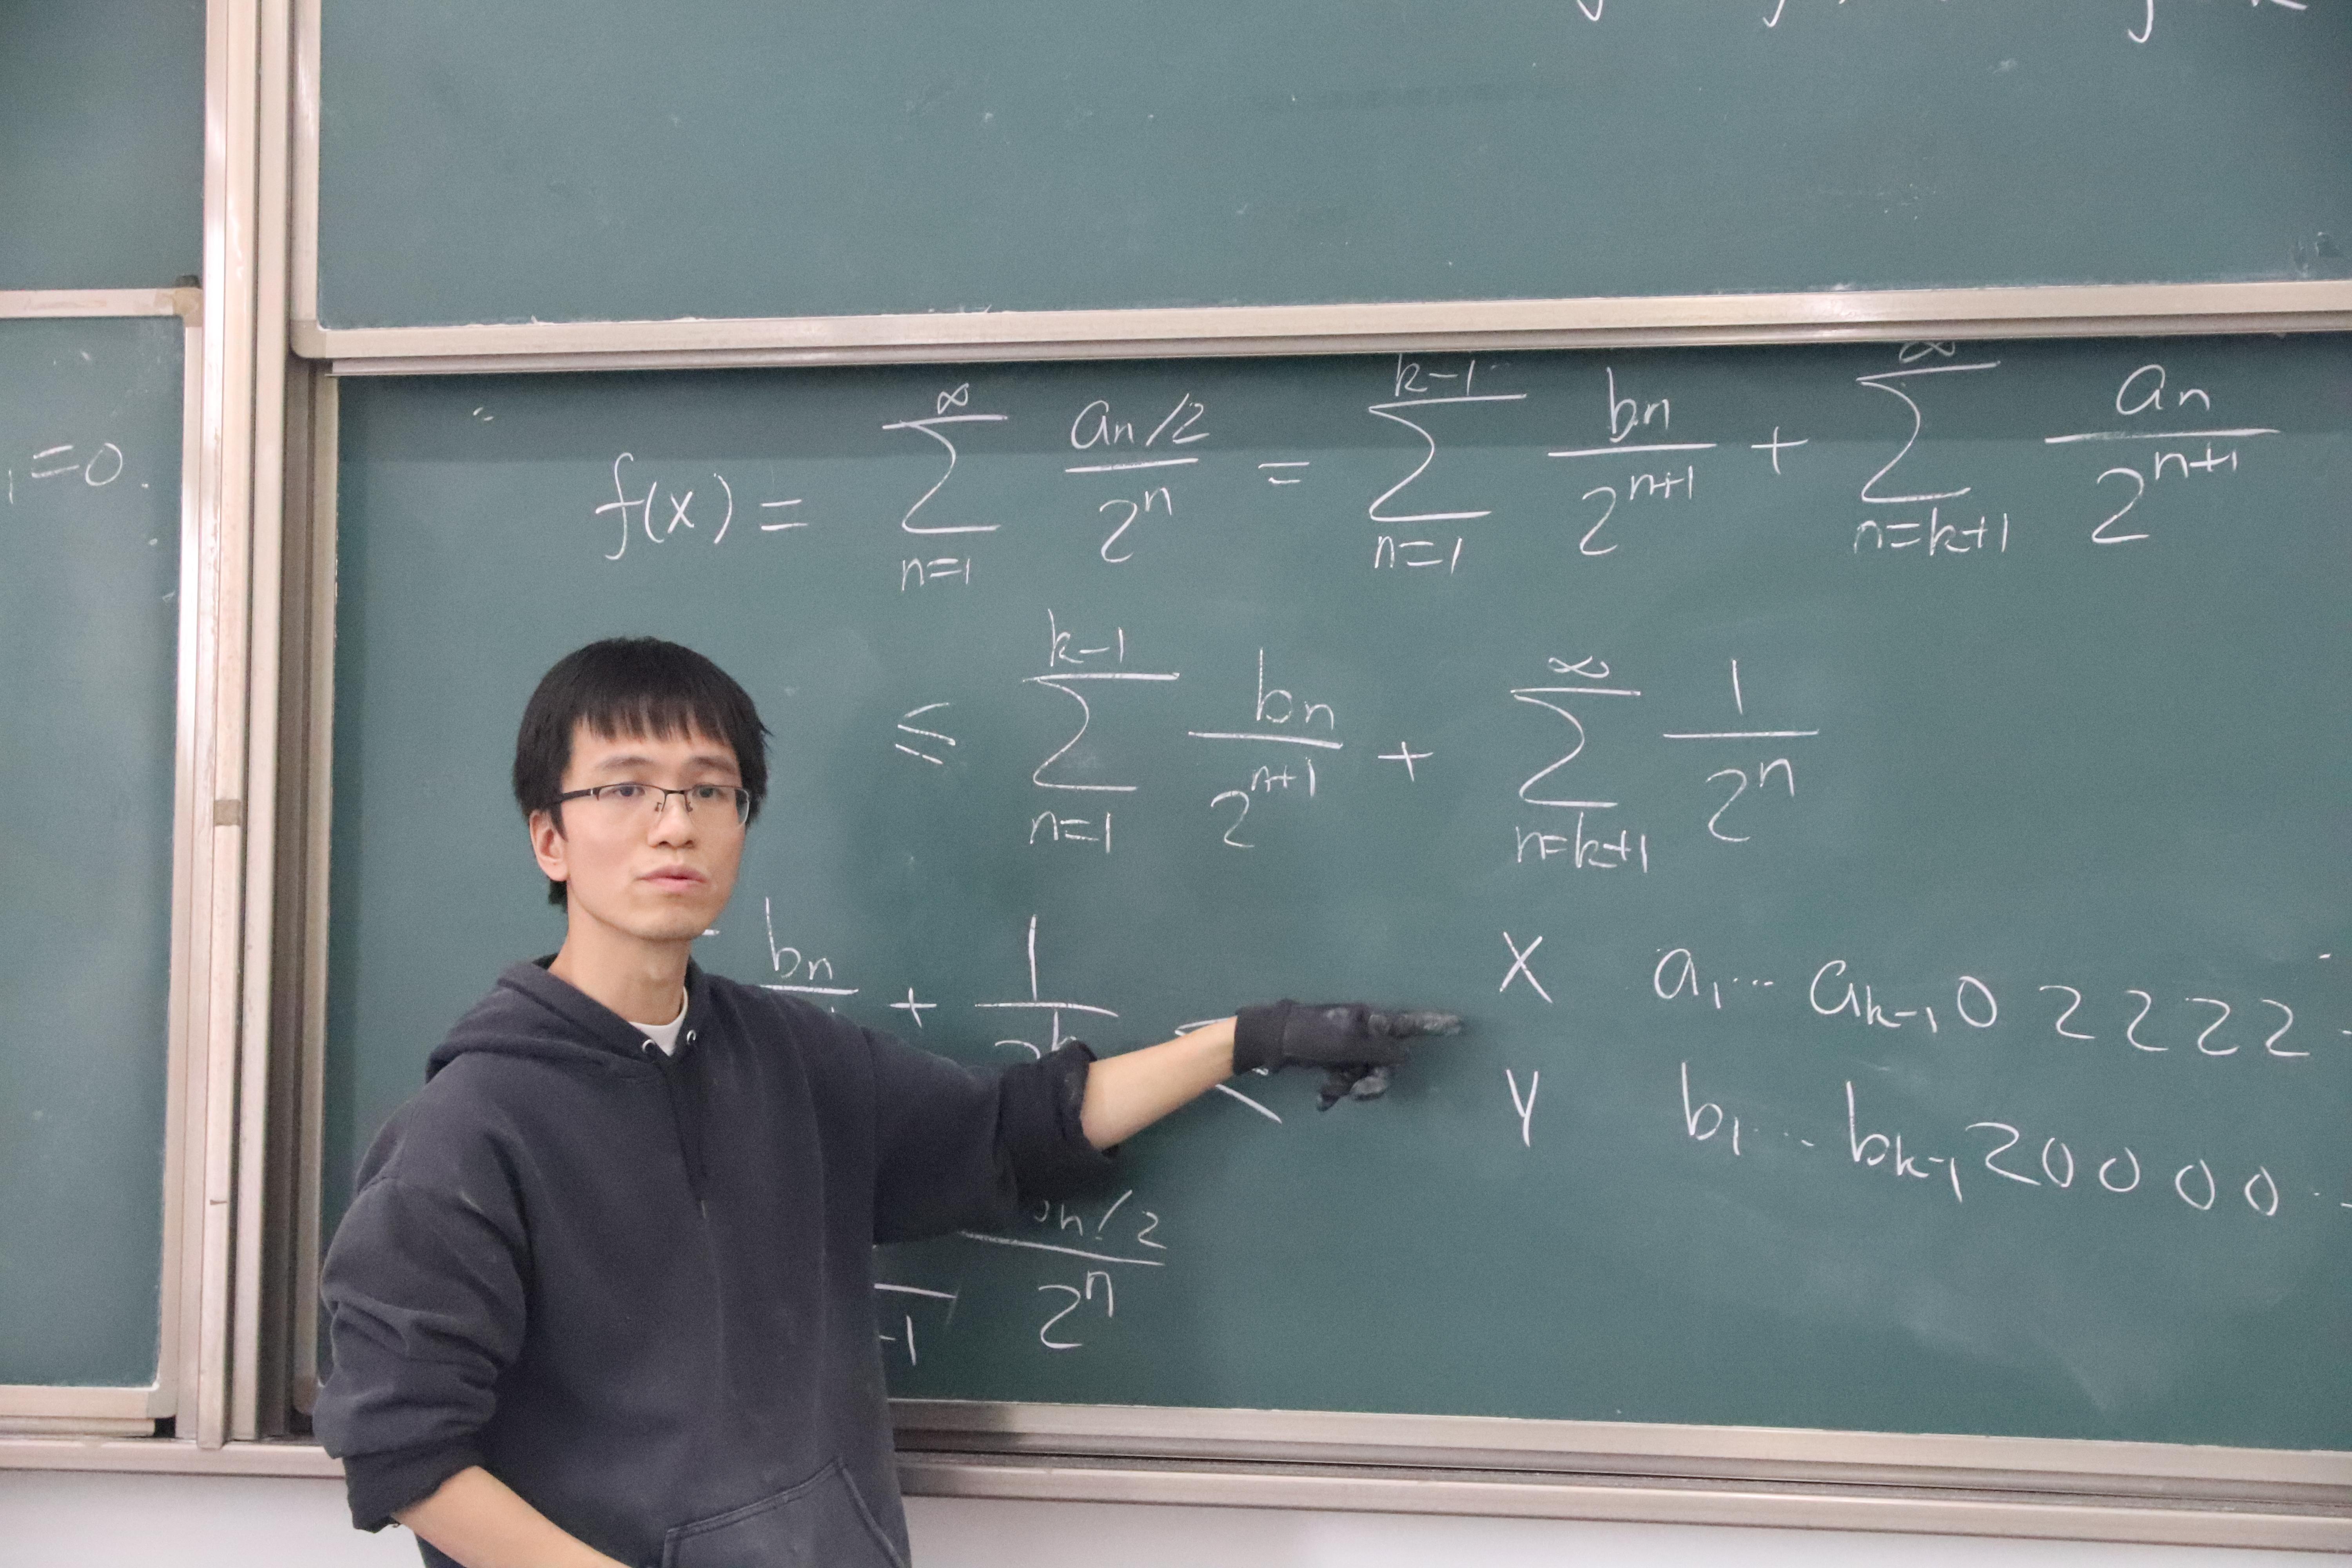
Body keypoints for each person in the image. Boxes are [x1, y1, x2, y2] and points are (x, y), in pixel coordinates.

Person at [314, 637, 1458, 1568]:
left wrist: (1250, 1041)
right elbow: (404, 1452)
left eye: (711, 790)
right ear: (549, 838)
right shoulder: (471, 1128)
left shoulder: (789, 1058)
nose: (675, 823)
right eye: (626, 788)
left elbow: (1010, 1131)